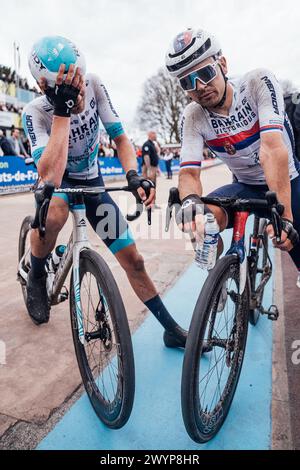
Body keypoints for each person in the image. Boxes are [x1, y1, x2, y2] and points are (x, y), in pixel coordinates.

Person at [22, 36, 186, 348]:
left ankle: (168, 327)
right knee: (53, 215)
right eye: (66, 86)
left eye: (79, 79)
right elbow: (52, 175)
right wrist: (62, 110)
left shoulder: (95, 84)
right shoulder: (35, 112)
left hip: (92, 183)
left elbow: (121, 139)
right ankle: (37, 274)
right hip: (58, 184)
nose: (78, 90)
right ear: (44, 87)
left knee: (134, 259)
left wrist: (133, 175)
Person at [165, 28, 300, 287]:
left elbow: (272, 150)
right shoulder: (192, 116)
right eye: (187, 82)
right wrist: (190, 203)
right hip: (246, 185)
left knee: (293, 243)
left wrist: (285, 218)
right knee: (201, 216)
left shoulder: (256, 83)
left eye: (205, 73)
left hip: (287, 181)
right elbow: (189, 174)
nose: (199, 87)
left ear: (223, 64)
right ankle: (215, 283)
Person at [280, 80, 300, 162]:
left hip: (287, 134)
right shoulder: (296, 98)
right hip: (296, 134)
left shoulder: (281, 101)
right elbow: (297, 117)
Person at [142, 131, 160, 208]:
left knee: (153, 186)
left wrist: (157, 168)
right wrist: (149, 169)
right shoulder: (147, 144)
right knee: (148, 186)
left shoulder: (153, 144)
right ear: (149, 135)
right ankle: (148, 204)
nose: (156, 135)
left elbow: (156, 155)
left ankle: (153, 203)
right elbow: (146, 157)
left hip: (153, 167)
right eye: (154, 134)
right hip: (149, 167)